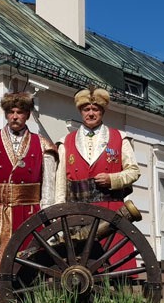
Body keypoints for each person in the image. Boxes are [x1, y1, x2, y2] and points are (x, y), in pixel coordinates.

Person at [0, 92, 57, 280]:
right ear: (6, 114)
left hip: (28, 211)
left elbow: (49, 183)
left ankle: (23, 301)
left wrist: (46, 212)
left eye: (20, 112)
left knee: (27, 258)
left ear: (27, 115)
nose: (15, 116)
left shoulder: (43, 145)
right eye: (11, 112)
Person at [55, 85, 140, 268]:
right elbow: (61, 184)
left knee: (117, 264)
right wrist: (59, 214)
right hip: (78, 212)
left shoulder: (120, 138)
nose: (91, 113)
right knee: (80, 264)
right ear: (80, 111)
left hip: (111, 209)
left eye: (95, 109)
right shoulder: (65, 143)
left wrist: (112, 179)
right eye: (86, 109)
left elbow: (134, 171)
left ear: (102, 111)